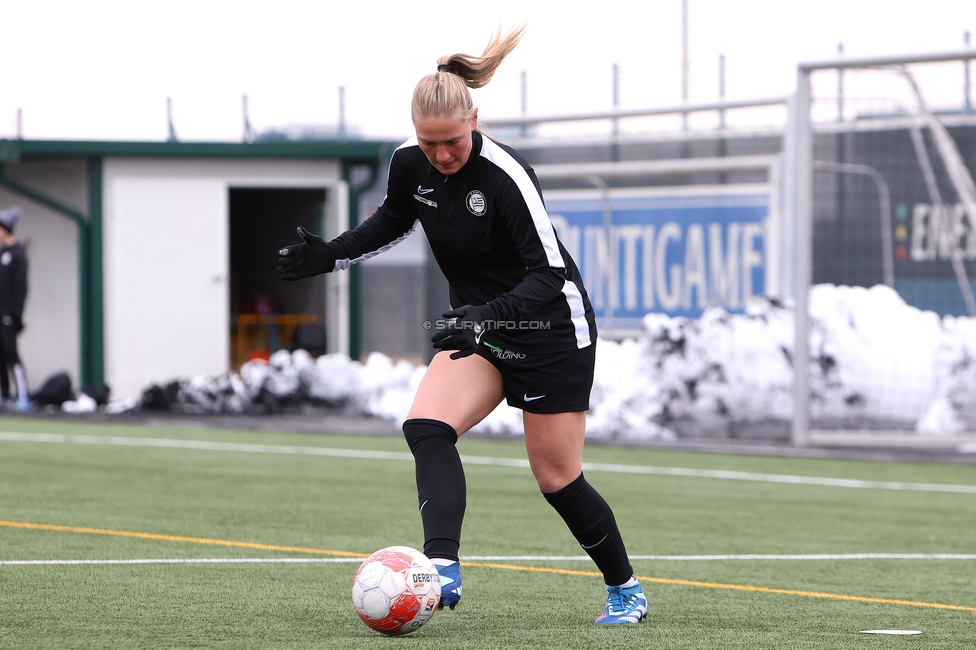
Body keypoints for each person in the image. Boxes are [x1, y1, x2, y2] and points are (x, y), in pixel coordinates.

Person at [278, 27, 646, 625]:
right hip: (480, 328)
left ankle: (625, 588)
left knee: (556, 478)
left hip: (548, 325)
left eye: (451, 142)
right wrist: (331, 255)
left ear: (475, 118)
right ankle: (441, 566)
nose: (442, 155)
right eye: (429, 144)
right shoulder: (408, 163)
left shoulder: (507, 176)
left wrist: (483, 316)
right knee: (426, 425)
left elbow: (548, 274)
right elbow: (394, 218)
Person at [0, 206, 29, 411]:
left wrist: (15, 315)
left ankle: (23, 395)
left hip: (8, 315)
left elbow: (21, 288)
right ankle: (4, 395)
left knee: (12, 353)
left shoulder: (18, 255)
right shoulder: (2, 253)